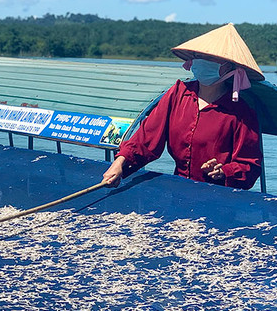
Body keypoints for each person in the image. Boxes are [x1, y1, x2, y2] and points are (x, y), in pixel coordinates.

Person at [102, 23, 263, 190]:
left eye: (211, 58)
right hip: (178, 189)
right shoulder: (178, 93)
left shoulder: (241, 112)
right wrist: (120, 162)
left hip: (219, 197)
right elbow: (146, 136)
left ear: (229, 66)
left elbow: (250, 165)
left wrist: (224, 171)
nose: (203, 62)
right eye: (199, 56)